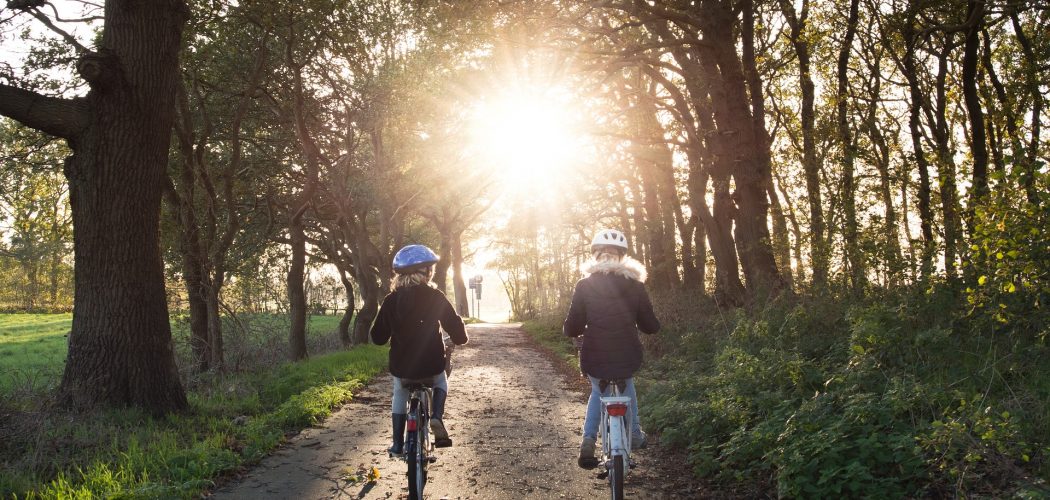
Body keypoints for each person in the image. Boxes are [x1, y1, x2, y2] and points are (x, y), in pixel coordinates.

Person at [563, 229, 660, 469]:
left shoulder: (584, 285)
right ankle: (634, 433)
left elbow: (572, 325)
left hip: (594, 353)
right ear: (622, 257)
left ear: (596, 256)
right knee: (627, 382)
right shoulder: (635, 285)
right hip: (627, 353)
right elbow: (650, 326)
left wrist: (571, 330)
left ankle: (588, 440)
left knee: (598, 390)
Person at [371, 244, 469, 455]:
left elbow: (377, 338)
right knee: (441, 380)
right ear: (426, 272)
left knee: (400, 391)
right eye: (430, 269)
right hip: (431, 365)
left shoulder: (391, 301)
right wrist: (459, 333)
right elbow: (458, 333)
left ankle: (397, 444)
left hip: (402, 368)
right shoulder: (436, 297)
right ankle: (436, 417)